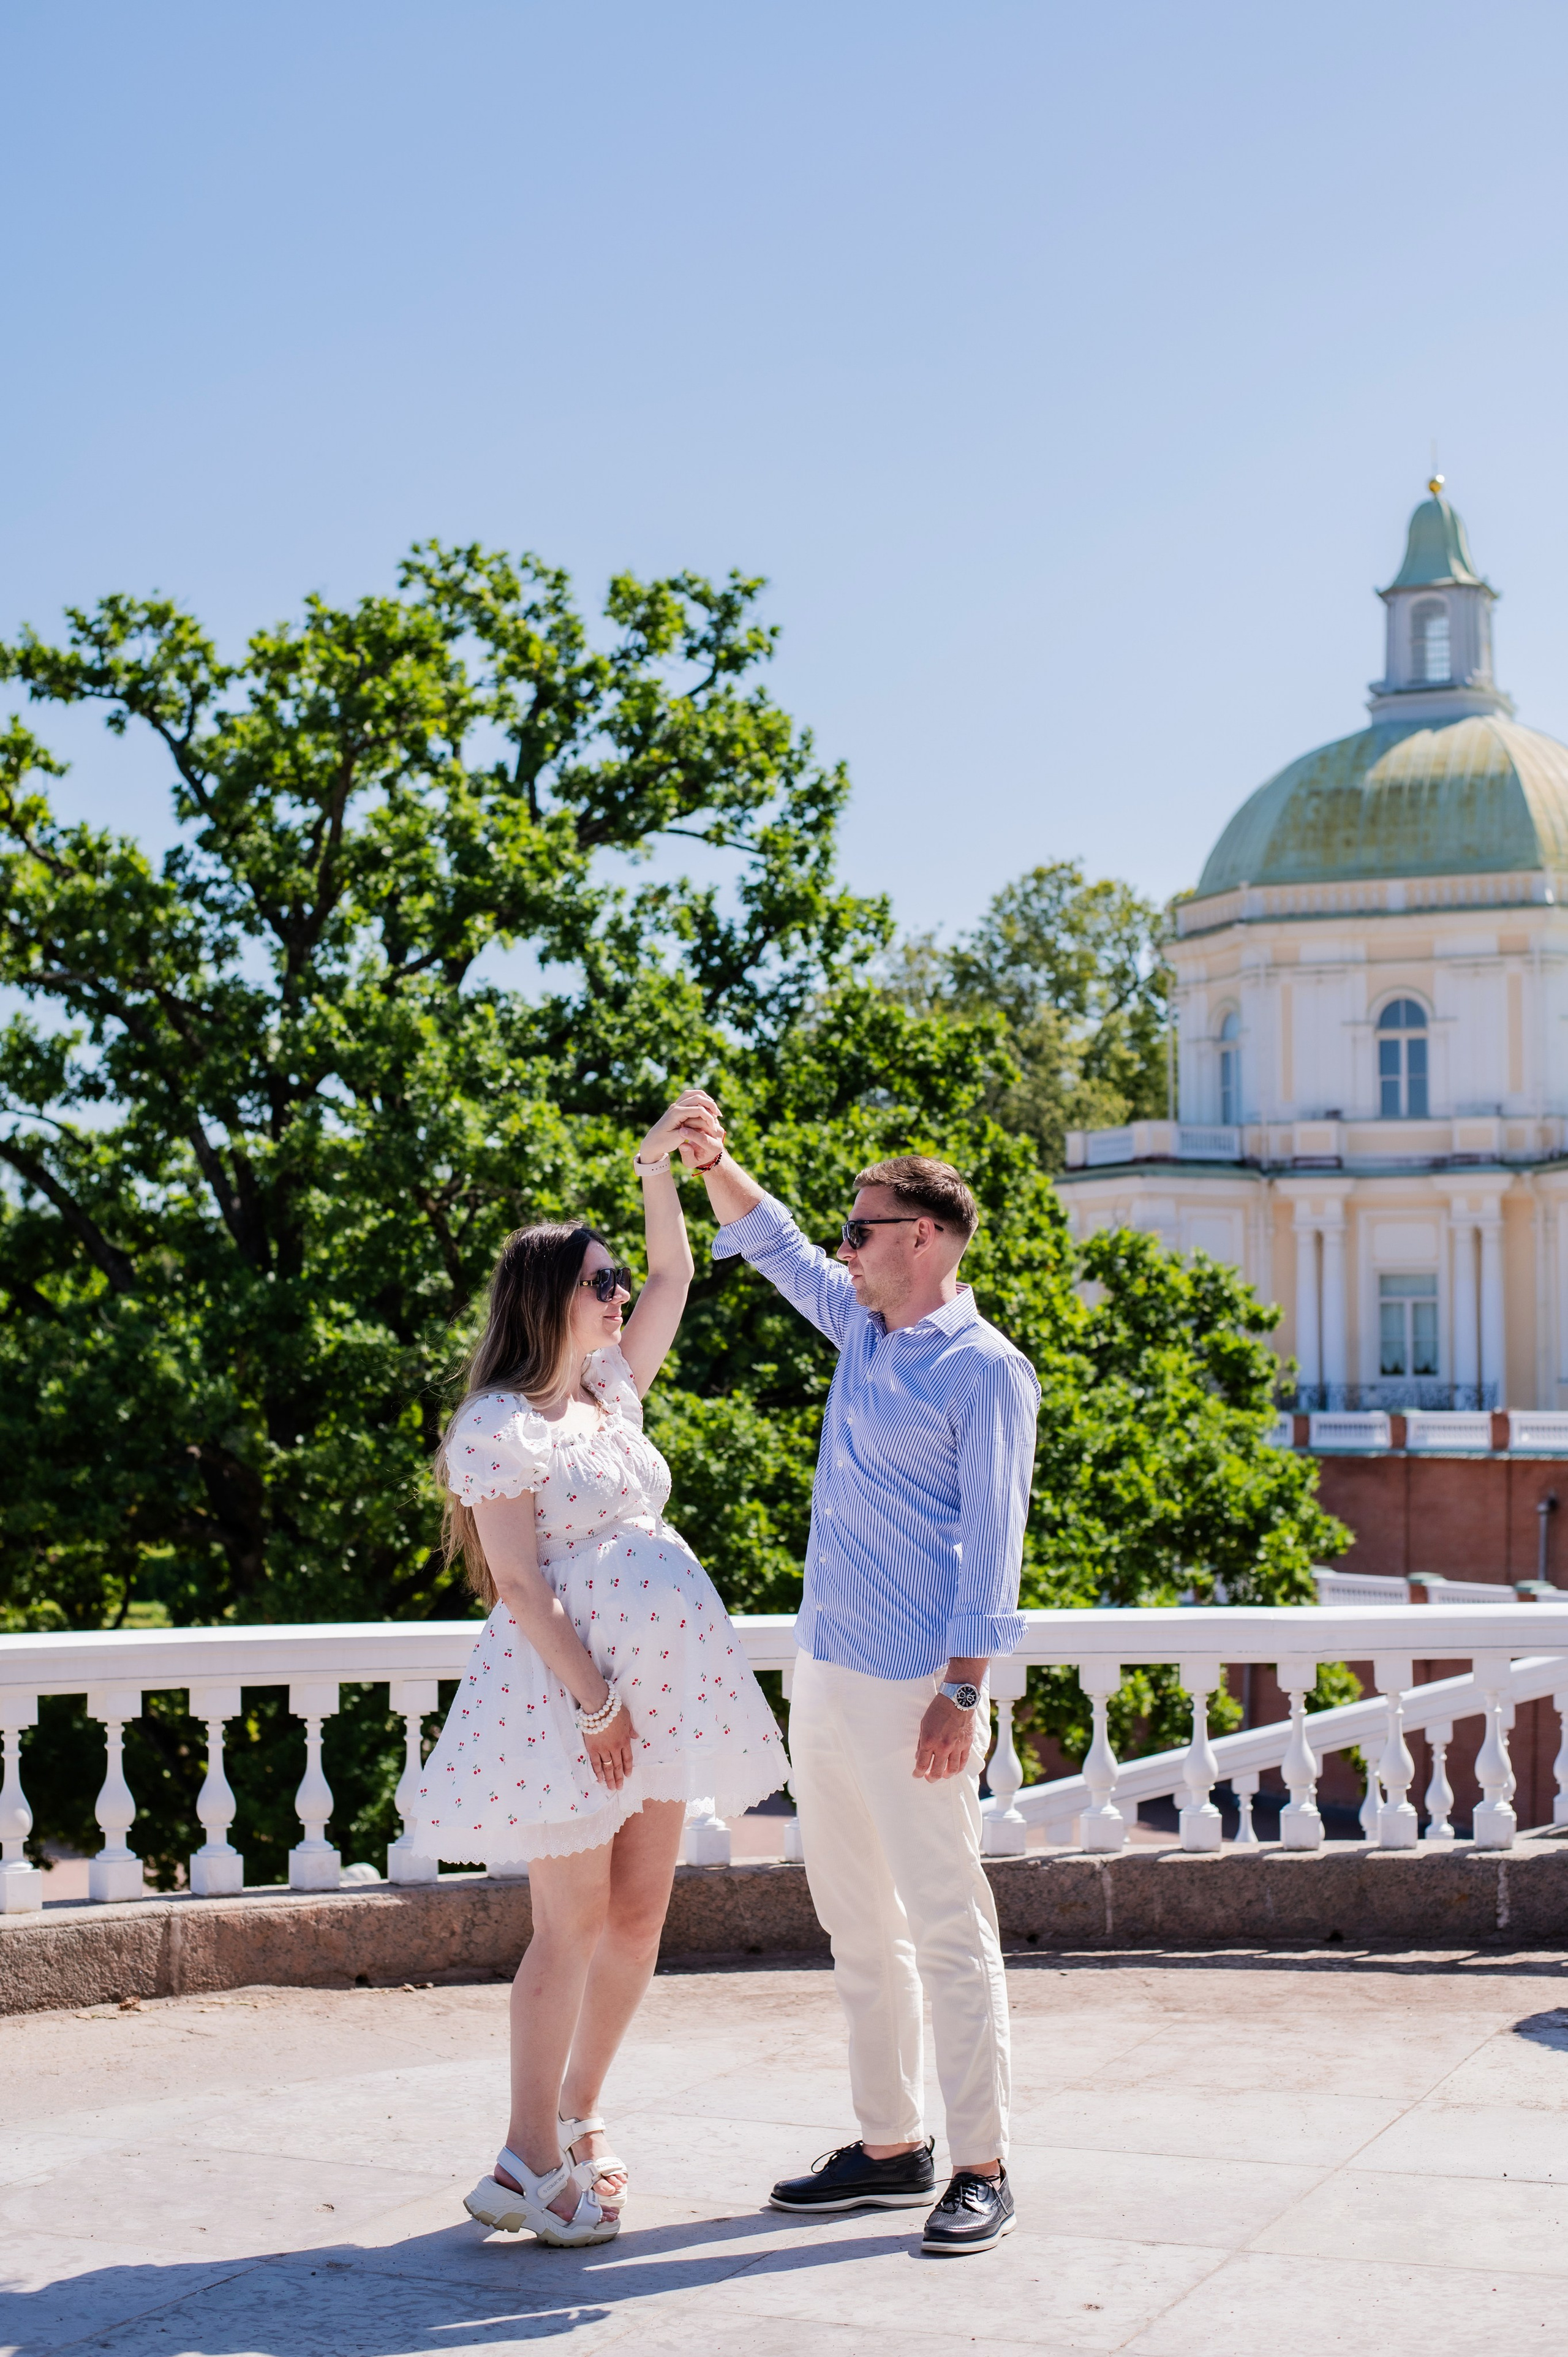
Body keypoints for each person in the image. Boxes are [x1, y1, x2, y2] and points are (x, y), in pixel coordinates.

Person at [417, 1095, 787, 2247]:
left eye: (617, 1280)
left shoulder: (610, 1390)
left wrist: (659, 1170)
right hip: (568, 1696)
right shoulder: (501, 1422)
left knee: (639, 1918)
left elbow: (678, 1276)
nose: (622, 1292)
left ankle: (580, 2118)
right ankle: (523, 2162)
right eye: (599, 1282)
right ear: (546, 1300)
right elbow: (520, 1583)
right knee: (567, 1927)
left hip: (660, 1688)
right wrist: (597, 1703)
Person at [677, 1095, 1039, 2257]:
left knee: (946, 1921)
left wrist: (965, 1689)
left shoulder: (987, 1371)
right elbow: (774, 1242)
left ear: (922, 1238)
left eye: (864, 1228)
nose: (844, 1245)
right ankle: (892, 2149)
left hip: (919, 1686)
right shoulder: (864, 1328)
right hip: (826, 1668)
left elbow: (996, 1541)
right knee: (852, 1920)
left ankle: (981, 2165)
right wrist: (716, 1164)